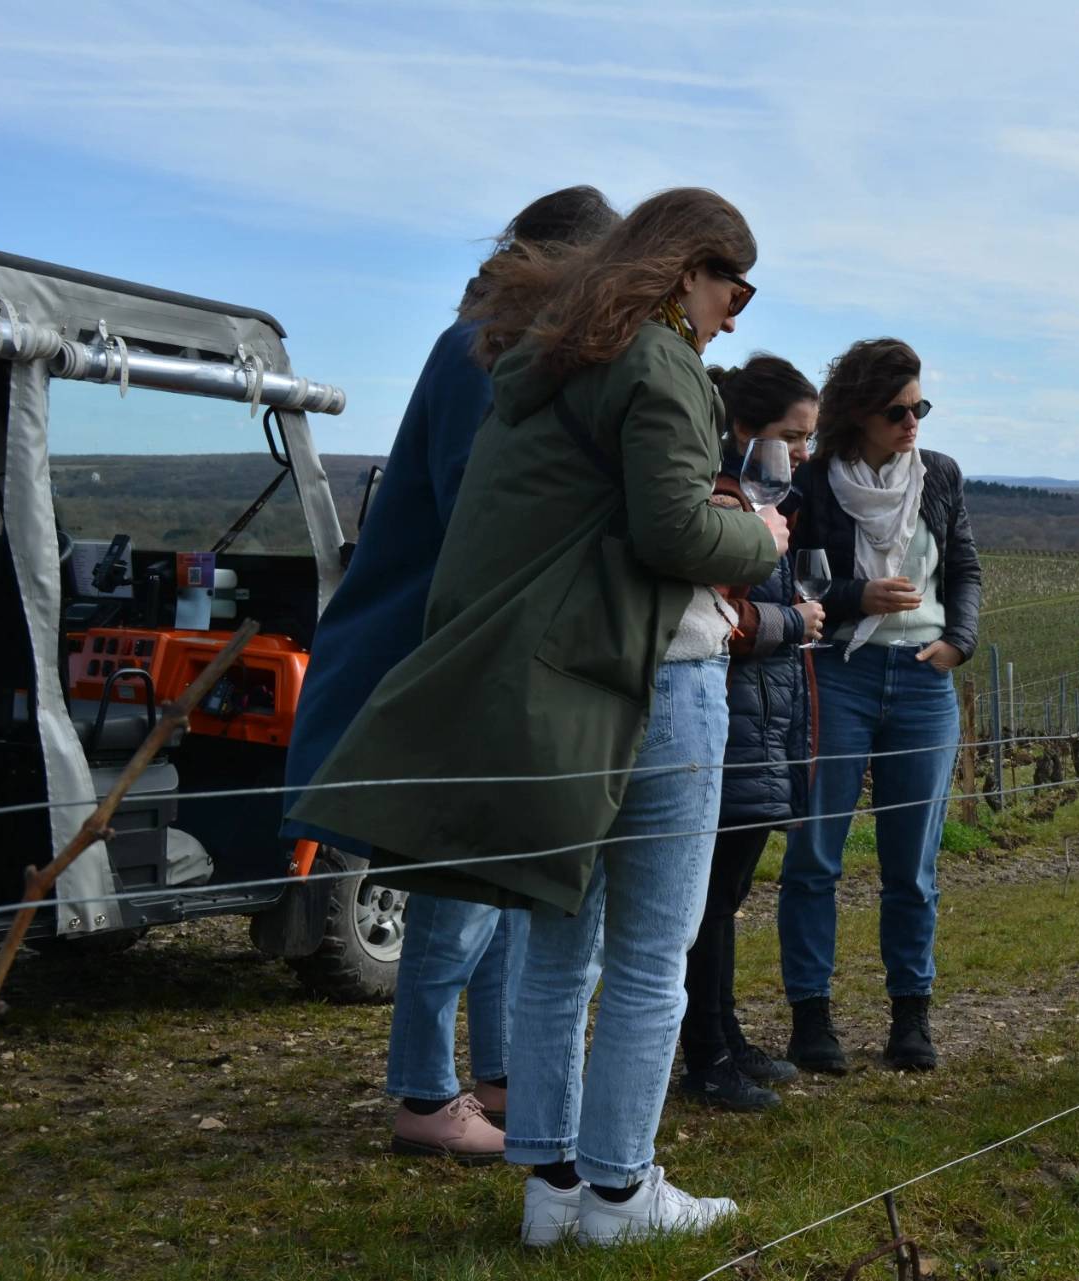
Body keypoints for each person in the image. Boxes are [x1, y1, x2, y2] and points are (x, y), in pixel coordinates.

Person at [288, 187, 785, 1247]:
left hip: (561, 690)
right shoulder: (658, 362)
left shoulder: (542, 360)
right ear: (686, 269)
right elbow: (672, 533)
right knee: (651, 954)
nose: (733, 315)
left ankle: (553, 1188)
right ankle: (621, 1193)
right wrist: (763, 539)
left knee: (561, 950)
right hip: (658, 676)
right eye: (732, 289)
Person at [280, 186, 617, 1163]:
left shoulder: (504, 343)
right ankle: (427, 1094)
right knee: (459, 879)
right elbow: (488, 504)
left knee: (493, 870)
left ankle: (499, 1074)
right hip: (447, 650)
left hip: (473, 644)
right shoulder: (481, 348)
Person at [776, 338, 981, 1075]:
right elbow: (787, 580)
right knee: (814, 855)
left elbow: (964, 569)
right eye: (897, 411)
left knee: (913, 865)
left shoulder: (940, 476)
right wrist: (855, 596)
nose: (912, 422)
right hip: (837, 674)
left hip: (924, 680)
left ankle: (911, 1017)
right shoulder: (813, 483)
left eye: (920, 407)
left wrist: (958, 640)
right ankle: (811, 1017)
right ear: (859, 412)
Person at [677, 353, 821, 1112]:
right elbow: (711, 620)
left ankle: (726, 1036)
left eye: (807, 438)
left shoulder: (763, 505)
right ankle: (705, 1056)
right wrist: (793, 621)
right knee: (705, 901)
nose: (803, 452)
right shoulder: (722, 504)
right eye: (792, 437)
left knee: (726, 895)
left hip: (760, 724)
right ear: (744, 431)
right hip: (727, 723)